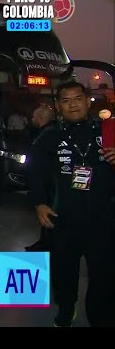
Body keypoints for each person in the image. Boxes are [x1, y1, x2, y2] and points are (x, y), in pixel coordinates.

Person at [28, 80, 115, 327]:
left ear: (88, 101)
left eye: (78, 98)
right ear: (58, 106)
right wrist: (39, 204)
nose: (72, 104)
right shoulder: (49, 136)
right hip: (63, 220)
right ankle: (67, 310)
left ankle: (100, 317)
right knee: (64, 274)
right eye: (65, 101)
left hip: (103, 220)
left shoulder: (108, 131)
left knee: (103, 276)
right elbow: (34, 171)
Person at [24, 104, 56, 252]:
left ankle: (46, 245)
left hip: (48, 184)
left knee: (48, 214)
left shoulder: (45, 136)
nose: (31, 119)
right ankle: (44, 242)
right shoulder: (50, 132)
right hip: (49, 183)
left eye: (33, 117)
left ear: (40, 118)